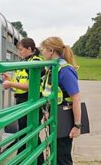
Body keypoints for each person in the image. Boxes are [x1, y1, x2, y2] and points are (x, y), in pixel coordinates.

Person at [1, 37, 44, 164]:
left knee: (27, 133)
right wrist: (11, 81)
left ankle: (23, 161)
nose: (19, 52)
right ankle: (35, 161)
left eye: (21, 50)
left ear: (30, 49)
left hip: (31, 101)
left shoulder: (35, 62)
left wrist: (11, 84)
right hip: (24, 101)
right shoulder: (26, 62)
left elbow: (32, 85)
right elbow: (21, 85)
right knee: (27, 133)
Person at [40, 36, 81, 165]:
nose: (42, 52)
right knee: (56, 155)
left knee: (62, 158)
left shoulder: (65, 71)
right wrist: (48, 112)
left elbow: (76, 99)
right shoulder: (52, 68)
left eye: (44, 50)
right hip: (55, 117)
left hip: (64, 120)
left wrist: (77, 126)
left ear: (51, 51)